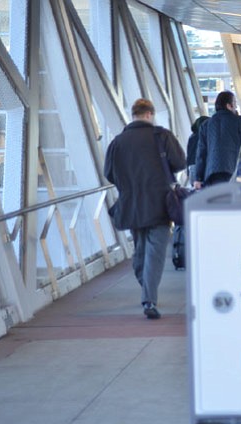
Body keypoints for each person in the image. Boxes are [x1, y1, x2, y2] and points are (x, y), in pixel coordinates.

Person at [104, 98, 186, 319]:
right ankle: (149, 299)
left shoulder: (118, 142)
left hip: (131, 204)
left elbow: (109, 173)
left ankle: (146, 287)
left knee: (140, 250)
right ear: (149, 114)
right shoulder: (162, 136)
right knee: (155, 253)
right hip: (160, 202)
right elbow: (180, 163)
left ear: (134, 114)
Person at [193, 91, 241, 189]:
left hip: (211, 173)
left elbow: (201, 153)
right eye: (235, 103)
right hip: (234, 171)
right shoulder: (239, 121)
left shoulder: (206, 125)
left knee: (216, 201)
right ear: (229, 105)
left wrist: (198, 178)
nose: (235, 107)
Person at [186, 115, 208, 185]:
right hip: (201, 169)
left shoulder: (191, 137)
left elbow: (189, 156)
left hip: (191, 169)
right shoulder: (205, 136)